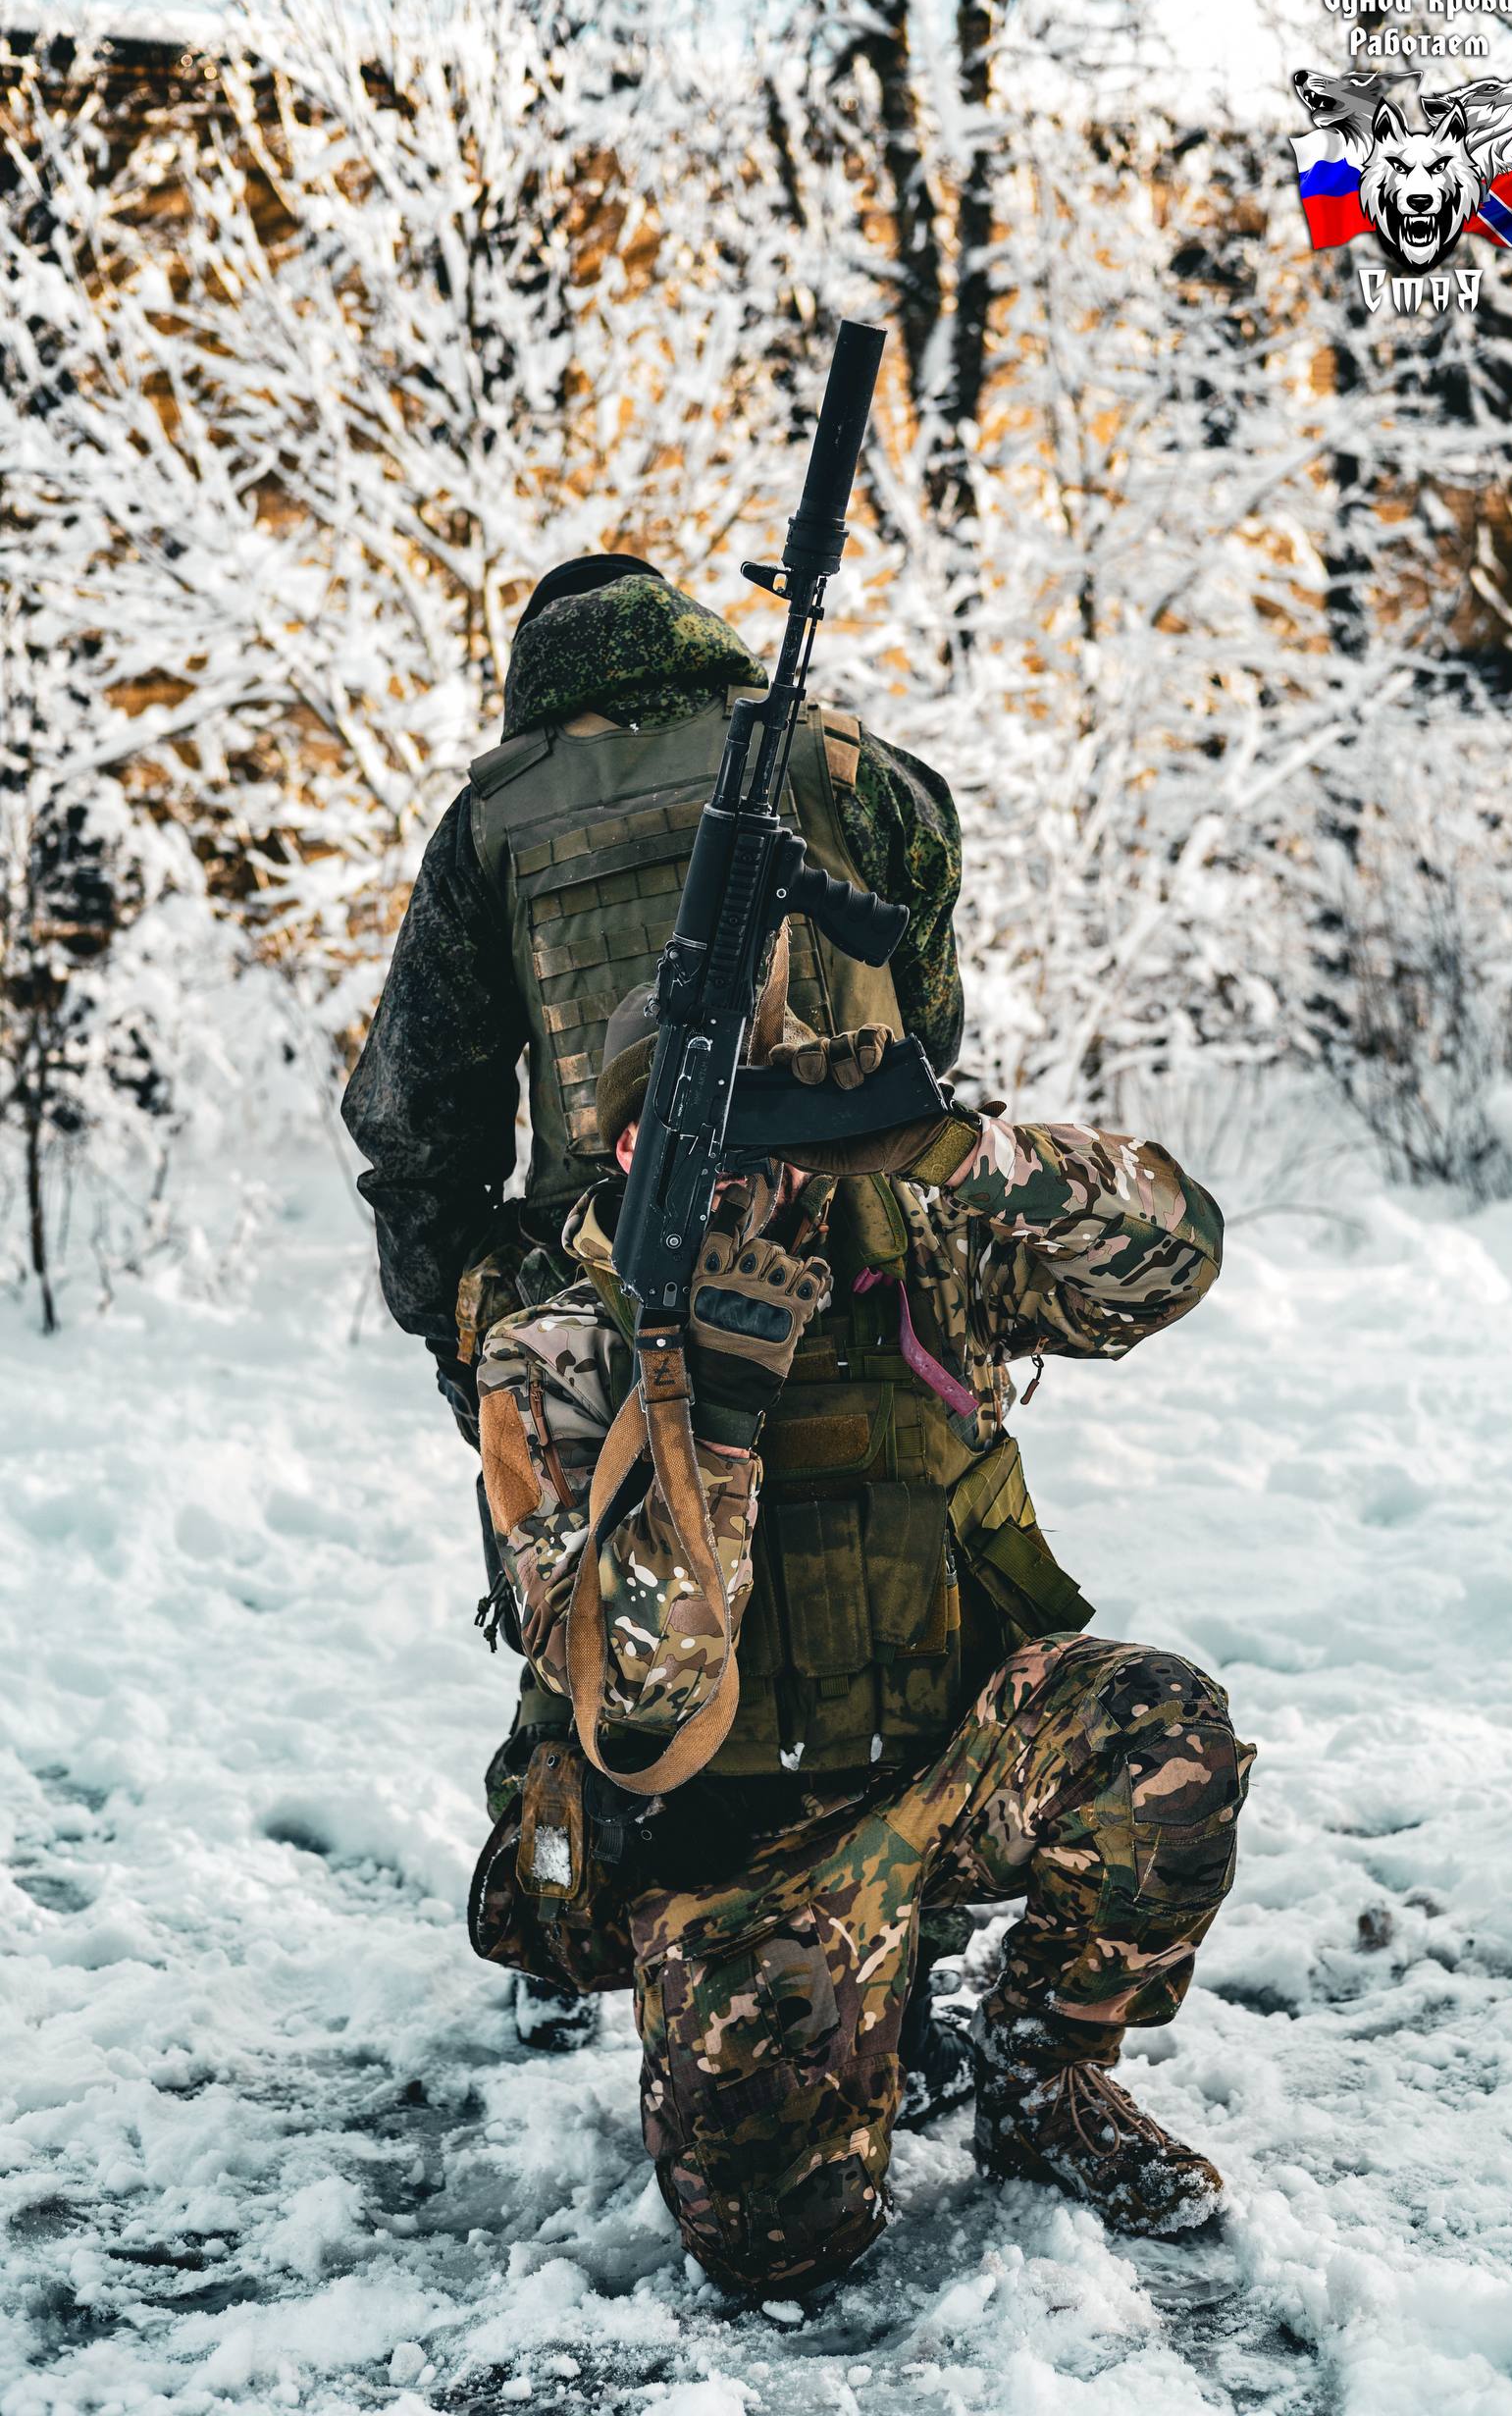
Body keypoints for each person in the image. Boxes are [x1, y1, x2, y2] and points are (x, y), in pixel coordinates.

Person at [461, 979, 1252, 2297]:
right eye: (693, 1137)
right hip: (734, 1851)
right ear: (624, 1149)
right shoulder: (555, 1351)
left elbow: (1176, 1256)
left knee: (1157, 1735)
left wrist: (950, 1149)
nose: (740, 1174)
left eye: (767, 1129)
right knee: (783, 2251)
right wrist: (712, 1417)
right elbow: (642, 1698)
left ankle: (1039, 2074)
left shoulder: (917, 1254)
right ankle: (830, 2017)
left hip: (952, 1776)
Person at [342, 553, 969, 2063]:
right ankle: (913, 1899)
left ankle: (595, 1891)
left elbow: (416, 1121)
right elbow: (929, 1030)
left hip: (608, 1297)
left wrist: (473, 1331)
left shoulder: (495, 819)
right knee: (895, 1566)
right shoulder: (853, 768)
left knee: (604, 1611)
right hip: (851, 1265)